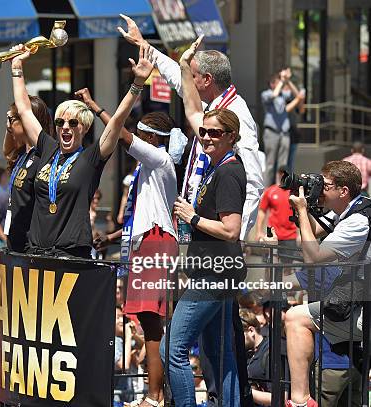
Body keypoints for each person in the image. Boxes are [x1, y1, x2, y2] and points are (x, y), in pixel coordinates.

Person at [78, 87, 179, 407]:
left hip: (157, 244)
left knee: (152, 323)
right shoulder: (149, 169)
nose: (135, 136)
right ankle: (156, 394)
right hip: (147, 242)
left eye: (141, 132)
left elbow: (120, 134)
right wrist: (110, 239)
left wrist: (95, 106)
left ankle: (155, 396)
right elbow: (144, 218)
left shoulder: (160, 159)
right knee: (148, 324)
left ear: (152, 138)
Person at [118, 17, 263, 241]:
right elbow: (177, 77)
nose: (206, 136)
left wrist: (239, 236)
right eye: (205, 132)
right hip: (198, 223)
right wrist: (143, 44)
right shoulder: (208, 105)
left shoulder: (237, 114)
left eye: (192, 76)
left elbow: (254, 181)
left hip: (220, 230)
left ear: (207, 80)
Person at [10, 42, 157, 258]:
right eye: (60, 123)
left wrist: (137, 83)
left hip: (71, 253)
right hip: (36, 252)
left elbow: (117, 121)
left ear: (85, 127)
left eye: (73, 123)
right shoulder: (47, 147)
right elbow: (23, 109)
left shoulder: (90, 158)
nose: (65, 128)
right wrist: (16, 67)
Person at [168, 38, 247, 407]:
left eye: (216, 133)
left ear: (232, 137)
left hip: (215, 273)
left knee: (174, 348)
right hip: (215, 270)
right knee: (220, 353)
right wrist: (185, 67)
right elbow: (192, 109)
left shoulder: (229, 173)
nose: (207, 137)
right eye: (204, 133)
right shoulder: (216, 164)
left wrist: (192, 217)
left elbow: (231, 229)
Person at [284, 160, 368, 407]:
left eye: (324, 185)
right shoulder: (347, 210)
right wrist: (307, 205)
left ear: (343, 191)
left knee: (294, 318)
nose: (320, 188)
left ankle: (300, 402)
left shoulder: (357, 221)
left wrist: (301, 210)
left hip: (365, 311)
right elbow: (308, 237)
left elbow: (313, 257)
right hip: (358, 304)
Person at [1, 96, 54, 252]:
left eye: (12, 119)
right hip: (15, 242)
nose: (8, 124)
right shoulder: (23, 154)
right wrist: (10, 122)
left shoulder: (42, 157)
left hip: (31, 247)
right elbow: (7, 151)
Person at [260, 69, 300, 186]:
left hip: (284, 133)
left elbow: (297, 95)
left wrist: (288, 81)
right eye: (278, 82)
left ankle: (281, 189)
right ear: (272, 84)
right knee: (271, 163)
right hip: (271, 132)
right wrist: (282, 81)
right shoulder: (266, 94)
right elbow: (274, 94)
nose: (281, 85)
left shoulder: (283, 95)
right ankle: (267, 190)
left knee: (283, 165)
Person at [255, 165, 298, 262]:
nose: (283, 175)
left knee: (287, 267)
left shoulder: (294, 192)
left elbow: (301, 213)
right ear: (278, 174)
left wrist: (300, 235)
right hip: (273, 236)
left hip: (290, 236)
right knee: (270, 265)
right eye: (281, 173)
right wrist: (259, 231)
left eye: (285, 173)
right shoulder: (270, 191)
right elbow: (262, 211)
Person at [240, 309, 271, 406]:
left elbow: (276, 397)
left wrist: (243, 390)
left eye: (238, 336)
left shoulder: (269, 352)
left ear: (251, 330)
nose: (235, 340)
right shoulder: (246, 353)